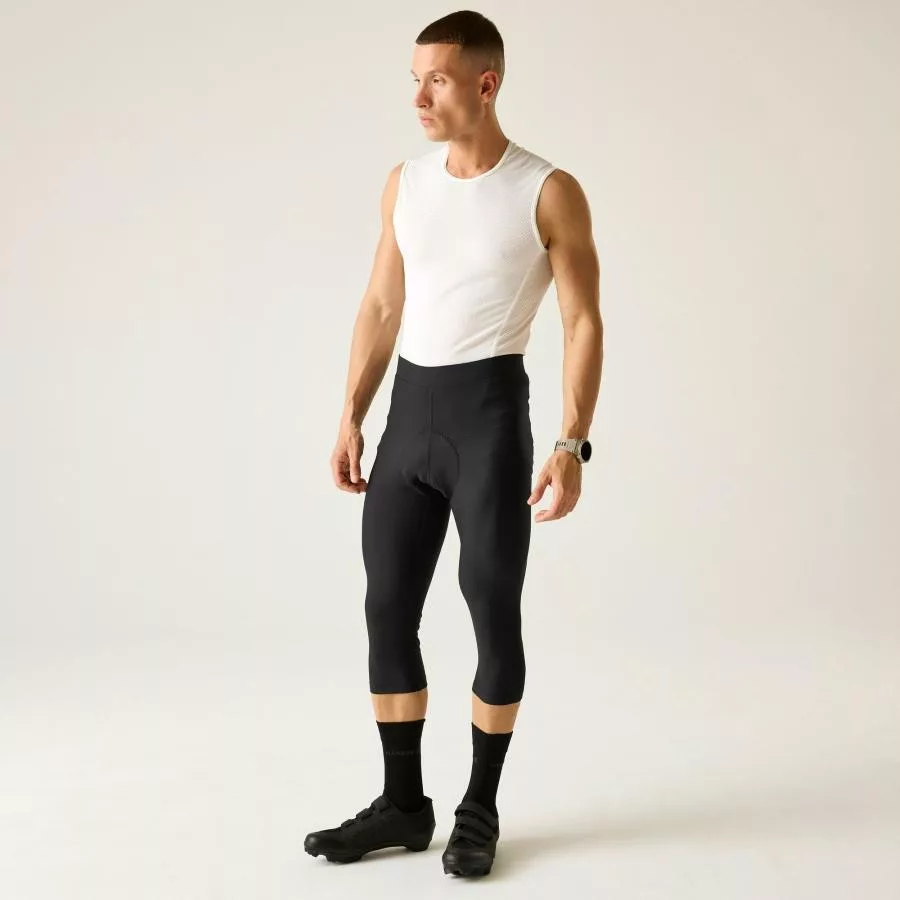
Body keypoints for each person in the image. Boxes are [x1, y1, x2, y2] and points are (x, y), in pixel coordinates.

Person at [304, 9, 602, 878]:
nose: (418, 97)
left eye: (435, 79)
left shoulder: (546, 190)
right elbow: (381, 304)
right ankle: (403, 804)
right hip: (411, 416)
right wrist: (351, 413)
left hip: (489, 419)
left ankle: (480, 806)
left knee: (490, 606)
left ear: (486, 83)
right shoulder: (405, 183)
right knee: (387, 606)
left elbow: (583, 320)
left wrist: (572, 444)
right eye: (415, 80)